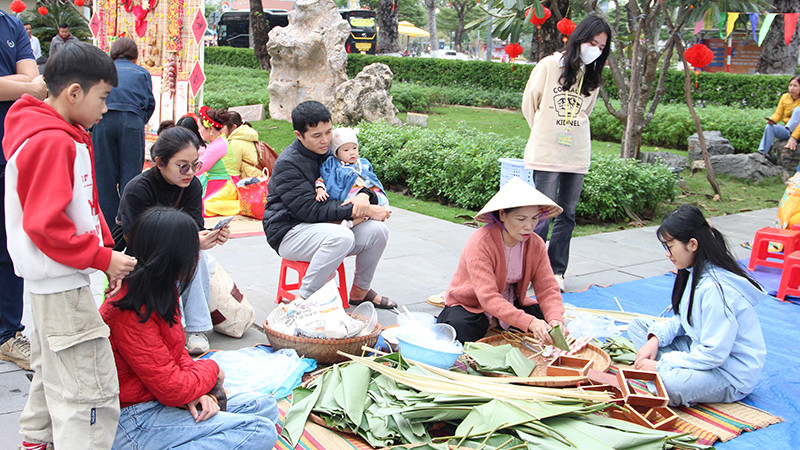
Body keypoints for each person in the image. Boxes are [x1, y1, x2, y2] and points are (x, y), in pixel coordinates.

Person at [4, 42, 138, 450]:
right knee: (88, 391)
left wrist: (105, 257)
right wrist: (101, 257)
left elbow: (84, 206)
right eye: (103, 97)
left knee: (52, 373)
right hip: (61, 283)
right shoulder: (52, 142)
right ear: (74, 93)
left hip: (55, 281)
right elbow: (47, 225)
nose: (105, 109)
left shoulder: (61, 135)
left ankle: (36, 442)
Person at [101, 206, 278, 449]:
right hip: (134, 419)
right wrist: (211, 371)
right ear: (171, 256)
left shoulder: (163, 288)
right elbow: (172, 388)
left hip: (161, 400)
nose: (197, 257)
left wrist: (196, 393)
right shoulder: (128, 311)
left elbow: (177, 355)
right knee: (259, 431)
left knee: (263, 405)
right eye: (191, 250)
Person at [629, 205, 766, 407]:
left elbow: (714, 354)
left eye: (670, 246)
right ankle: (668, 368)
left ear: (692, 244)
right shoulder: (695, 272)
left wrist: (661, 365)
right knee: (639, 327)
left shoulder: (716, 289)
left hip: (727, 373)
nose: (668, 254)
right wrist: (655, 339)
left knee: (672, 385)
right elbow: (684, 319)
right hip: (699, 351)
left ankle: (667, 374)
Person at [263, 100, 395, 308]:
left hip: (328, 227)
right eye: (317, 135)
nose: (325, 140)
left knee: (378, 230)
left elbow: (363, 179)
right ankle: (304, 299)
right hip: (290, 231)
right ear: (299, 135)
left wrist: (364, 195)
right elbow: (310, 210)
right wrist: (361, 209)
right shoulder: (289, 164)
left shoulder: (334, 152)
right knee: (340, 237)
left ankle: (360, 291)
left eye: (328, 131)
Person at [114, 126, 231, 355]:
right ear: (160, 162)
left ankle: (196, 329)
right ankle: (173, 326)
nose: (190, 172)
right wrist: (189, 241)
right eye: (182, 166)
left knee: (195, 255)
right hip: (137, 252)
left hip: (177, 250)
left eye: (195, 164)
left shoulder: (192, 186)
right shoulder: (138, 189)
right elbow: (137, 239)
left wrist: (210, 235)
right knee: (183, 254)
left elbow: (195, 227)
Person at [521, 14, 612, 292]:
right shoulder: (549, 65)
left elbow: (586, 112)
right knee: (541, 215)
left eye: (601, 46)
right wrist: (545, 131)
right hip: (547, 151)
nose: (594, 49)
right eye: (591, 42)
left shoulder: (592, 76)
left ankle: (555, 271)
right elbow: (530, 103)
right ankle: (529, 272)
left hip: (577, 152)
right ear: (579, 38)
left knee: (568, 214)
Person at [437, 177, 566, 343]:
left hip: (510, 300)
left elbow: (547, 288)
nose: (529, 226)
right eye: (521, 219)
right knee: (459, 326)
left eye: (534, 218)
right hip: (474, 304)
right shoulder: (481, 243)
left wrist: (556, 320)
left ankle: (500, 322)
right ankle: (493, 322)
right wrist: (530, 322)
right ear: (503, 214)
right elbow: (488, 297)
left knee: (546, 319)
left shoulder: (536, 244)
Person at [0, 8, 48, 373]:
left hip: (9, 151)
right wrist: (23, 85)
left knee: (8, 243)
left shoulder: (11, 23)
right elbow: (29, 84)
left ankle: (7, 334)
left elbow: (38, 83)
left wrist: (17, 84)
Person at [92, 37, 156, 228]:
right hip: (132, 120)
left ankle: (109, 228)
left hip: (102, 119)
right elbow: (149, 103)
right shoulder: (142, 73)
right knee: (131, 174)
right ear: (135, 56)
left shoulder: (102, 72)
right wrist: (138, 121)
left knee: (104, 176)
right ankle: (129, 222)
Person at [315, 127, 390, 227]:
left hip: (364, 190)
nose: (352, 152)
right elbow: (323, 178)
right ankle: (351, 223)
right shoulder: (333, 166)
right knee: (360, 209)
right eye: (346, 150)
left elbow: (371, 179)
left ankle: (384, 207)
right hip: (348, 195)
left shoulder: (362, 164)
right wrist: (320, 189)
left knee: (376, 193)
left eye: (354, 148)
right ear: (336, 153)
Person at [757, 75, 800, 163]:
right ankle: (763, 153)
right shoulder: (785, 97)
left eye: (795, 86)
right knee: (770, 127)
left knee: (797, 110)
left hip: (798, 133)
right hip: (788, 130)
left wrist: (794, 137)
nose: (791, 88)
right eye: (790, 85)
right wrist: (772, 120)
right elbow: (778, 114)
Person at [197, 106, 233, 204]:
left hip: (223, 186)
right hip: (218, 183)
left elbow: (200, 167)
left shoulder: (218, 145)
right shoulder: (218, 141)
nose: (199, 131)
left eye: (199, 128)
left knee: (204, 208)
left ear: (210, 129)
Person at [221, 110, 262, 179]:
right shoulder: (246, 135)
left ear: (233, 127)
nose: (220, 130)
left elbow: (233, 170)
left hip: (249, 182)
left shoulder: (235, 143)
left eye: (222, 127)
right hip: (258, 177)